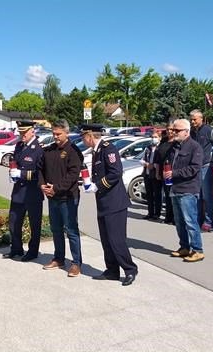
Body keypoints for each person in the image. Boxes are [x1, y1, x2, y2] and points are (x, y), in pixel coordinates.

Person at [81, 123, 138, 286]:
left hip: (114, 203)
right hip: (103, 202)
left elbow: (115, 172)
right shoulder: (97, 151)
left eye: (83, 136)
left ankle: (130, 269)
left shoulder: (108, 149)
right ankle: (112, 270)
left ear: (90, 136)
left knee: (116, 240)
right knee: (106, 240)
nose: (83, 140)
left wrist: (97, 185)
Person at [38, 119, 83, 277]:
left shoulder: (74, 151)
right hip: (53, 197)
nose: (55, 136)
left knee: (71, 231)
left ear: (67, 133)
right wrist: (42, 185)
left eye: (58, 134)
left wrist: (55, 188)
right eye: (54, 133)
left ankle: (76, 263)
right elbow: (40, 169)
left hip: (68, 197)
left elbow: (73, 175)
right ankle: (59, 258)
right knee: (56, 229)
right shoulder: (49, 150)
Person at [2, 120, 44, 262]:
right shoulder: (19, 146)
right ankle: (16, 248)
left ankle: (33, 251)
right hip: (18, 191)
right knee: (14, 222)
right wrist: (13, 173)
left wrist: (21, 174)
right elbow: (15, 163)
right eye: (20, 132)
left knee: (34, 225)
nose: (22, 135)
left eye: (24, 132)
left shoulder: (39, 149)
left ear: (32, 131)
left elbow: (40, 173)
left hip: (33, 192)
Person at [164, 119, 205, 263]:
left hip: (188, 188)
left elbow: (194, 168)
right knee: (179, 221)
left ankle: (198, 250)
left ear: (186, 132)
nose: (174, 132)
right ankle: (184, 247)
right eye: (173, 130)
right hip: (175, 188)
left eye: (177, 130)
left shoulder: (195, 147)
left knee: (190, 221)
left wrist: (174, 173)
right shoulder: (174, 146)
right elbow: (168, 162)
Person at [190, 109, 213, 231]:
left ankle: (208, 221)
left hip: (206, 166)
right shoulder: (191, 132)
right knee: (197, 195)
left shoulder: (210, 131)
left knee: (207, 196)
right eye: (191, 119)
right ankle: (198, 219)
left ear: (201, 119)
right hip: (194, 167)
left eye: (195, 119)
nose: (192, 122)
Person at [153, 124, 175, 224]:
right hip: (163, 172)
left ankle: (173, 218)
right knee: (166, 194)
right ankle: (168, 217)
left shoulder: (176, 143)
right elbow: (158, 159)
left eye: (171, 129)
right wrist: (157, 172)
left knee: (172, 196)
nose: (169, 131)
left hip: (172, 172)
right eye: (168, 129)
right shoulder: (163, 142)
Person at [140, 129, 163, 220]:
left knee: (157, 195)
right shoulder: (148, 148)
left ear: (160, 138)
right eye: (152, 137)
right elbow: (141, 160)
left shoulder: (160, 148)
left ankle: (157, 214)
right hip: (147, 174)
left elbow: (160, 162)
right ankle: (150, 213)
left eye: (155, 137)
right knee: (149, 195)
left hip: (156, 175)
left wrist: (153, 166)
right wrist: (146, 164)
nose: (153, 139)